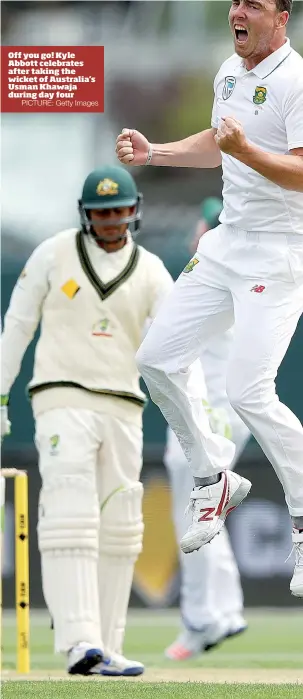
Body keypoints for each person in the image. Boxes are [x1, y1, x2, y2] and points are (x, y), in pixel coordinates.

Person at [116, 0, 303, 598]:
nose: (237, 13)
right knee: (155, 359)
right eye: (234, 2)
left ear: (282, 17)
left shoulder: (297, 81)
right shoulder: (230, 71)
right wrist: (157, 155)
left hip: (280, 251)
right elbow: (219, 142)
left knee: (248, 392)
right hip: (225, 244)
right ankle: (211, 478)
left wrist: (247, 151)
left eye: (253, 5)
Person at [0, 165, 174, 676]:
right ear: (86, 215)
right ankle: (80, 643)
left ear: (135, 209)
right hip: (61, 397)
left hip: (124, 404)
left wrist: (199, 420)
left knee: (121, 526)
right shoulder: (53, 253)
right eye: (102, 213)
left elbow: (174, 350)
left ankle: (108, 646)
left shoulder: (152, 270)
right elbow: (17, 326)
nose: (113, 221)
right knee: (71, 514)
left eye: (120, 210)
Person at [164, 198, 250, 660]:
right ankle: (224, 611)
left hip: (209, 421)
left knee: (194, 516)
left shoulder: (218, 275)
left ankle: (203, 618)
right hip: (219, 417)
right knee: (206, 516)